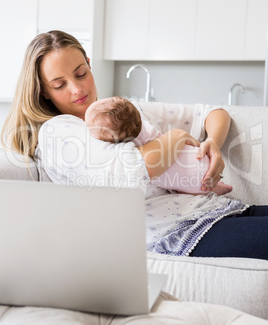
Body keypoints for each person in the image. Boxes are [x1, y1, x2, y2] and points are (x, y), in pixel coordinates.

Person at [1, 30, 268, 260]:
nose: (76, 89)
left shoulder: (127, 112)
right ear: (44, 91)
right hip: (178, 233)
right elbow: (129, 173)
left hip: (217, 209)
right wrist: (174, 137)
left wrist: (212, 142)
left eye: (81, 73)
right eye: (60, 85)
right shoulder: (58, 132)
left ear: (89, 64)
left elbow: (213, 113)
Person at [85, 96, 233, 195]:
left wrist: (213, 140)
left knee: (182, 182)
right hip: (195, 156)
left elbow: (214, 112)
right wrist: (179, 137)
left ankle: (218, 188)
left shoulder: (129, 146)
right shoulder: (143, 126)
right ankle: (218, 187)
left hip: (190, 179)